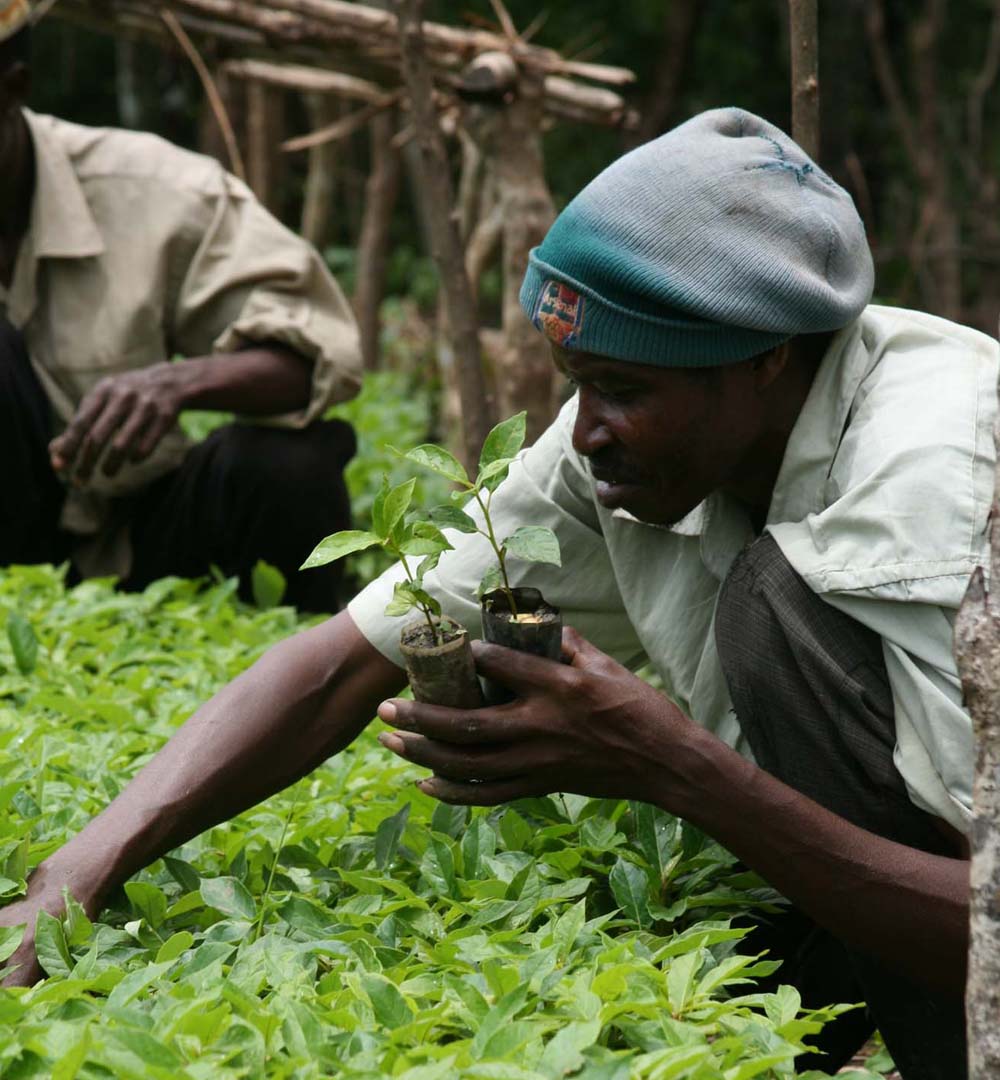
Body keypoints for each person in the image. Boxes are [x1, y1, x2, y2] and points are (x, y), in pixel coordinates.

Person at [3, 105, 994, 1079]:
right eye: (578, 382)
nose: (586, 426)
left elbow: (984, 923)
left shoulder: (924, 495)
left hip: (958, 928)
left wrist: (674, 769)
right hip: (875, 873)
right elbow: (347, 656)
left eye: (623, 390)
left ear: (763, 356)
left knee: (772, 607)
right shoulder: (624, 440)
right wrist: (83, 868)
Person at [0, 4, 362, 612]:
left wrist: (176, 383)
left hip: (145, 540)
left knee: (287, 463)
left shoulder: (153, 188)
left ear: (13, 88)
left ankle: (316, 652)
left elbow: (312, 355)